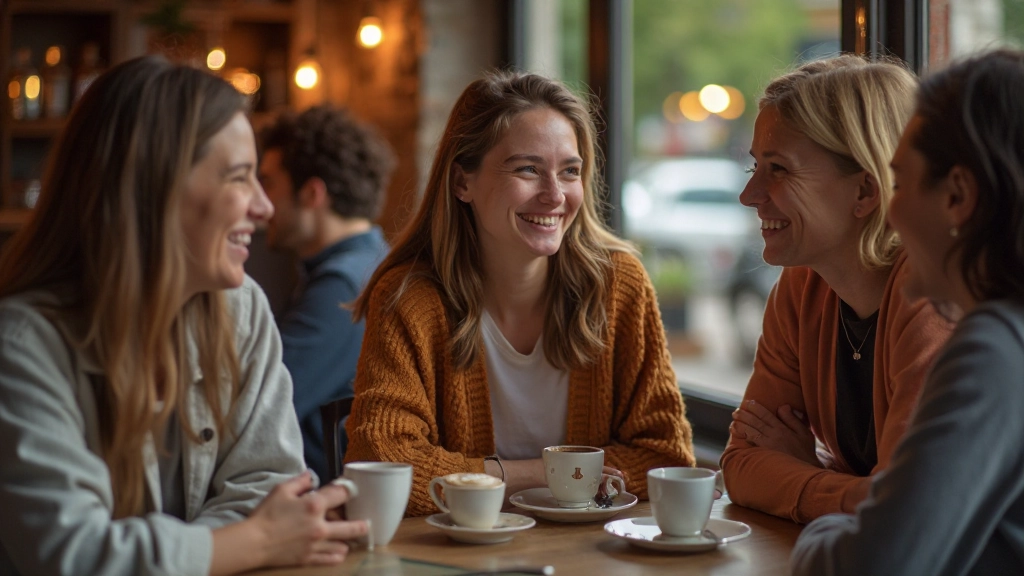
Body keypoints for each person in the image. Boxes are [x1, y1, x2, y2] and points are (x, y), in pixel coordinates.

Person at [0, 56, 367, 576]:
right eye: (241, 178)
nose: (264, 208)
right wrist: (252, 544)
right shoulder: (21, 346)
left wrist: (192, 551)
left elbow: (271, 486)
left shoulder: (243, 312)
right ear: (155, 190)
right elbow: (74, 556)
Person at [343, 70, 694, 516]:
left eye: (570, 171)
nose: (554, 195)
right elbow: (382, 465)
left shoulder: (617, 286)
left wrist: (477, 478)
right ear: (461, 183)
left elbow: (666, 455)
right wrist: (548, 474)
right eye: (527, 169)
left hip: (592, 555)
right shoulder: (410, 300)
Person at [792, 48, 1024, 576]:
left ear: (958, 196)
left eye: (901, 180)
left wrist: (828, 528)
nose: (891, 210)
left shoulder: (994, 348)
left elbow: (874, 564)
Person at [720, 54, 954, 524]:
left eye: (779, 169)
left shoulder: (933, 299)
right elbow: (742, 464)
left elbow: (908, 513)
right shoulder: (803, 284)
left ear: (865, 192)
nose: (750, 195)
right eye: (755, 169)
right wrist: (847, 492)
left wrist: (805, 472)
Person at [258, 105, 394, 481]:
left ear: (312, 193)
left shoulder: (341, 287)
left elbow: (257, 409)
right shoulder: (372, 261)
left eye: (267, 182)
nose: (258, 202)